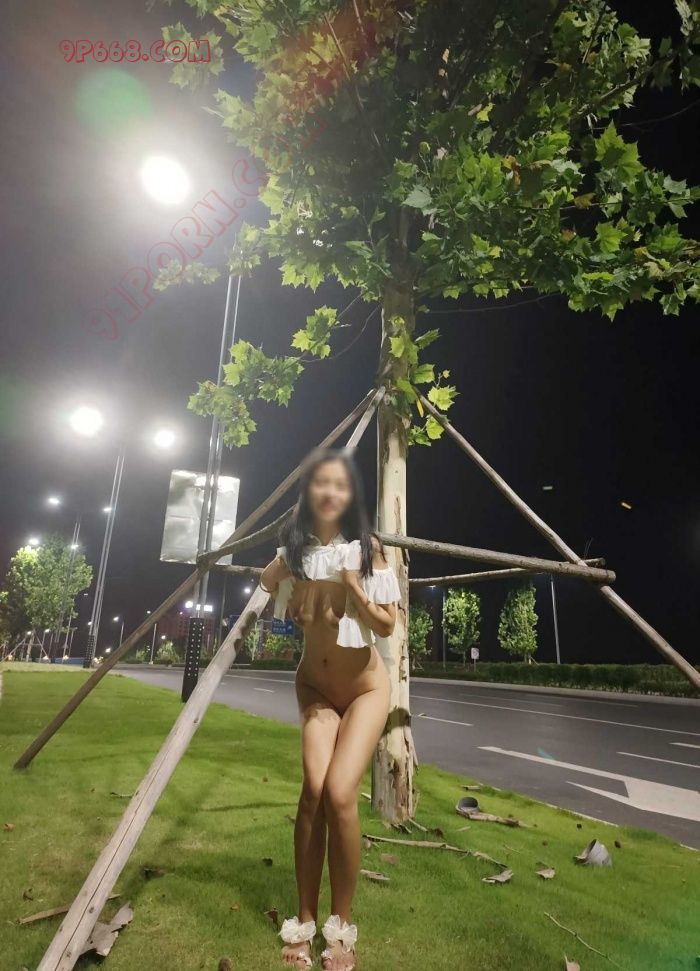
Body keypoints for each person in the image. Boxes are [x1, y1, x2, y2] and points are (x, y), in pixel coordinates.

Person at [260, 448, 401, 971]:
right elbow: (266, 582)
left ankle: (341, 929)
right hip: (314, 688)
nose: (330, 492)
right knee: (313, 791)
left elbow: (387, 624)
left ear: (351, 494)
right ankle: (303, 919)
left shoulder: (367, 549)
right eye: (321, 482)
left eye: (340, 484)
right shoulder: (296, 550)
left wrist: (354, 586)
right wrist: (281, 565)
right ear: (308, 491)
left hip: (365, 690)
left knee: (341, 793)